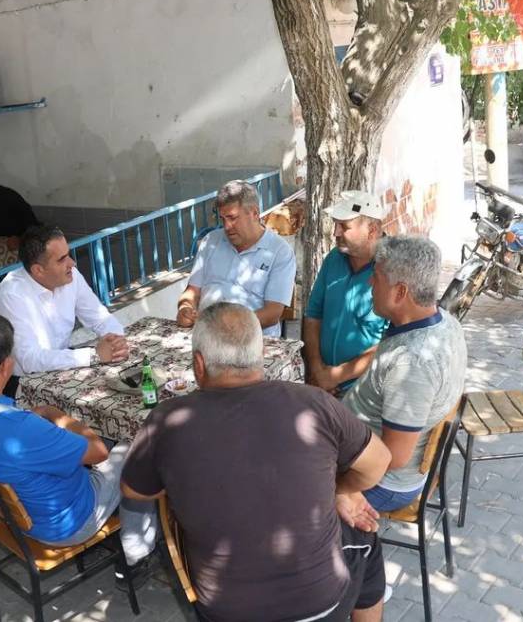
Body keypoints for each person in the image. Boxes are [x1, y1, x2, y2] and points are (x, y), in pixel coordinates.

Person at [122, 302, 392, 622]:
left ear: (199, 365)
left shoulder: (166, 420)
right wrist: (340, 489)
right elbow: (379, 462)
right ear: (261, 354)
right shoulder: (313, 403)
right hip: (321, 607)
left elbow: (134, 491)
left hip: (224, 611)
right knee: (364, 536)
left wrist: (183, 481)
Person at [0, 313, 156, 577]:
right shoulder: (19, 430)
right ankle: (137, 556)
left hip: (15, 515)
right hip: (69, 522)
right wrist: (56, 414)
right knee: (138, 442)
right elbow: (98, 452)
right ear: (5, 366)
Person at [342, 235, 468, 513]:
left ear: (400, 292)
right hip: (365, 453)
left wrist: (341, 488)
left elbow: (393, 457)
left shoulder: (413, 365)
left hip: (380, 482)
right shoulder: (443, 321)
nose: (369, 283)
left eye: (376, 277)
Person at [0, 225, 129, 398]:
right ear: (38, 270)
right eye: (61, 259)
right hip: (23, 384)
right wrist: (94, 355)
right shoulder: (12, 294)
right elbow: (30, 360)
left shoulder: (72, 275)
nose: (72, 263)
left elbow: (99, 317)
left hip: (62, 368)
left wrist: (116, 341)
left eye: (68, 255)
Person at [176, 181, 296, 337]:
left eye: (232, 218)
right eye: (223, 219)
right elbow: (192, 291)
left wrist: (224, 325)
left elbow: (272, 314)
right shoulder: (210, 241)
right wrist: (184, 308)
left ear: (254, 213)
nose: (226, 226)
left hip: (252, 340)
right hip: (206, 335)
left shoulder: (280, 252)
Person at [303, 190, 389, 395]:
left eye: (344, 227)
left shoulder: (392, 267)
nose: (336, 233)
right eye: (335, 225)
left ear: (372, 229)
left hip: (366, 391)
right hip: (322, 383)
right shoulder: (334, 259)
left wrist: (336, 376)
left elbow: (392, 343)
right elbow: (314, 316)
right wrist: (317, 371)